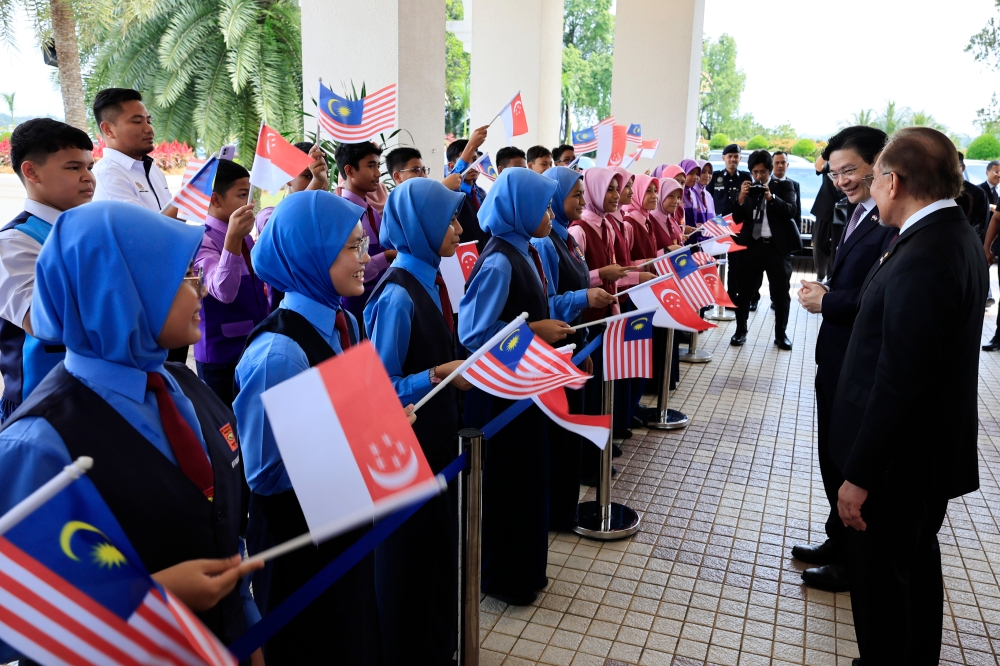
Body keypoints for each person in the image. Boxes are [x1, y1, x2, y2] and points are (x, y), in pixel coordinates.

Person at [0, 201, 262, 656]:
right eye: (184, 276)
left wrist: (249, 634)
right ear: (120, 290)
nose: (200, 290)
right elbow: (17, 617)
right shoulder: (39, 442)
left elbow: (225, 535)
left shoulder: (183, 386)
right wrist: (149, 593)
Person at [831, 127, 987, 663]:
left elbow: (900, 379)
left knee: (884, 586)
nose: (869, 191)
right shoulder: (952, 234)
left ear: (893, 182)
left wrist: (860, 476)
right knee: (913, 570)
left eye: (872, 180)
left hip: (898, 465)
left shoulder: (926, 254)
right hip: (920, 457)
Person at [234, 190, 380, 663]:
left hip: (343, 523)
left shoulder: (344, 323)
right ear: (310, 254)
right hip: (297, 550)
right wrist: (357, 440)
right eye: (351, 247)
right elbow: (266, 476)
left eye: (362, 244)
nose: (365, 259)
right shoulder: (280, 354)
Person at [365, 178, 468, 664]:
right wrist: (433, 376)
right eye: (447, 219)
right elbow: (379, 389)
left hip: (438, 441)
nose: (458, 227)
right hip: (410, 450)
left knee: (435, 553)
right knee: (409, 561)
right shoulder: (398, 296)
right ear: (421, 225)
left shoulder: (431, 279)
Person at [458, 168, 572, 605]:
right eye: (541, 205)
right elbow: (473, 334)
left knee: (528, 480)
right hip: (500, 394)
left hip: (525, 386)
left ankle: (526, 570)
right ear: (519, 209)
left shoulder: (526, 251)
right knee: (509, 485)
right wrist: (534, 331)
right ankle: (504, 578)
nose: (549, 213)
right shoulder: (500, 259)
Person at [793, 126, 894, 594]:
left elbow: (879, 299)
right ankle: (838, 541)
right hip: (836, 359)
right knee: (833, 457)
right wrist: (829, 291)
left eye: (850, 170)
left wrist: (828, 301)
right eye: (835, 173)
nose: (842, 181)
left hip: (857, 362)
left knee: (851, 461)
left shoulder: (891, 223)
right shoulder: (858, 212)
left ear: (881, 163)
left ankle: (854, 563)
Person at [533, 166, 615, 528]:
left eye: (584, 194)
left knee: (571, 436)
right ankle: (555, 512)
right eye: (575, 195)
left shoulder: (569, 240)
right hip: (558, 353)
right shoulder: (544, 244)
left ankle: (564, 510)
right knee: (559, 440)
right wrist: (583, 296)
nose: (582, 201)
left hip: (576, 345)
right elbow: (545, 305)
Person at [0, 119, 94, 422]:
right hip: (41, 403)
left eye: (89, 167)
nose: (88, 177)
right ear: (31, 171)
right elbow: (39, 320)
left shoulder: (87, 232)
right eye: (73, 167)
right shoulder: (15, 241)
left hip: (92, 393)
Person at [193, 159, 270, 407]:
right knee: (227, 434)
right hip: (221, 358)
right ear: (215, 199)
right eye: (241, 195)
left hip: (253, 346)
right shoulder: (202, 240)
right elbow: (223, 292)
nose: (249, 203)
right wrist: (232, 240)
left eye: (249, 194)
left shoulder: (245, 238)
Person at [730, 150, 802, 349]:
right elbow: (736, 218)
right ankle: (740, 330)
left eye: (762, 172)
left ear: (770, 171)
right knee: (743, 292)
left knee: (781, 293)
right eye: (755, 172)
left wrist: (771, 198)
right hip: (751, 247)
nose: (759, 176)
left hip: (777, 249)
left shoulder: (785, 185)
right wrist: (741, 199)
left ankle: (781, 334)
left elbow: (791, 211)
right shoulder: (747, 188)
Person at [334, 140, 396, 323]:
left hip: (378, 299)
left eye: (378, 166)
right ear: (350, 171)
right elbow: (351, 268)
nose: (378, 174)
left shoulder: (370, 211)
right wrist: (388, 257)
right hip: (357, 308)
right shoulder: (345, 214)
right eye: (371, 166)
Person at [91, 88, 175, 215]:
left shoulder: (153, 169)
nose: (149, 129)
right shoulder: (108, 175)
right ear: (108, 129)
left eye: (149, 121)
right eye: (137, 121)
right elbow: (144, 231)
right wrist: (189, 196)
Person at [707, 145, 752, 305]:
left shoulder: (746, 178)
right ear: (723, 158)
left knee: (735, 265)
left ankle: (732, 296)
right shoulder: (715, 177)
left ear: (740, 158)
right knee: (713, 263)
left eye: (736, 156)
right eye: (729, 156)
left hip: (737, 228)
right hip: (717, 228)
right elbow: (708, 200)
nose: (733, 159)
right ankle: (711, 296)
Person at [810, 156, 846, 281]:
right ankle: (820, 275)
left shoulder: (852, 162)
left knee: (837, 247)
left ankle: (831, 277)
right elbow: (818, 167)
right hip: (824, 208)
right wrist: (827, 153)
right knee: (819, 243)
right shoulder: (831, 161)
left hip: (843, 210)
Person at [385, 145, 462, 190]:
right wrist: (442, 188)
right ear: (398, 177)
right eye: (416, 170)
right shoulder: (397, 203)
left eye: (424, 170)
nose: (424, 176)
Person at [957, 152, 989, 240]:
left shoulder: (977, 193)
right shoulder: (937, 191)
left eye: (951, 166)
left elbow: (980, 227)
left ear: (962, 167)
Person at [771, 151, 801, 228]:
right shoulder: (766, 184)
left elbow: (797, 212)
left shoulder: (795, 185)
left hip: (788, 228)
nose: (780, 165)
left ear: (787, 165)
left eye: (783, 163)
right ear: (771, 165)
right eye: (777, 163)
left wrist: (798, 232)